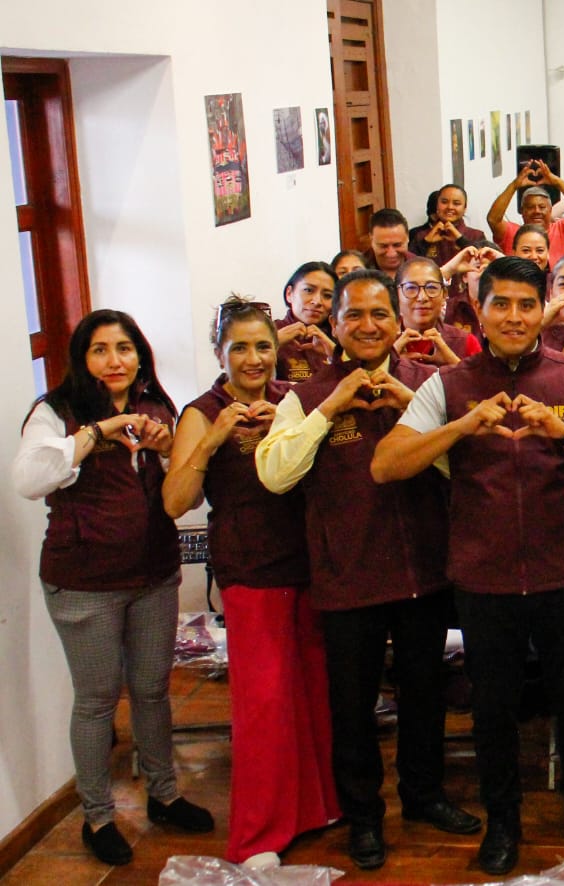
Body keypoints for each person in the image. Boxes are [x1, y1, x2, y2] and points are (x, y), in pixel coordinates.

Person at [370, 256, 564, 875]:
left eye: (525, 304)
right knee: (493, 709)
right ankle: (503, 822)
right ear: (478, 309)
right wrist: (460, 426)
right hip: (482, 578)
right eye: (500, 304)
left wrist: (559, 433)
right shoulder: (449, 385)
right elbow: (386, 464)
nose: (513, 316)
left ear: (543, 310)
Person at [256, 270, 480, 871]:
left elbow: (471, 471)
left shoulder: (430, 385)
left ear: (398, 319)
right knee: (352, 707)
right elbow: (276, 474)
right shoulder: (304, 397)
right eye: (354, 315)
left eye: (380, 313)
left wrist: (413, 408)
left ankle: (424, 795)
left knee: (425, 694)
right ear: (334, 325)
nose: (368, 325)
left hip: (424, 574)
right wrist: (329, 408)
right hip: (346, 576)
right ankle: (363, 817)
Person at [13, 310, 215, 867]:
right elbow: (30, 479)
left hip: (152, 574)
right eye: (99, 350)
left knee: (152, 689)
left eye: (124, 348)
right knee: (99, 698)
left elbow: (186, 493)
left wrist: (167, 446)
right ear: (82, 360)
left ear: (140, 356)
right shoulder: (55, 413)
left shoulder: (156, 407)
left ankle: (164, 792)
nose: (114, 361)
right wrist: (95, 432)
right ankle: (98, 815)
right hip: (84, 584)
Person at [162, 298, 340, 869]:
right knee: (262, 707)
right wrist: (213, 439)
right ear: (220, 352)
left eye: (263, 345)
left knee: (311, 696)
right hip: (250, 573)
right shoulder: (201, 411)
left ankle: (314, 809)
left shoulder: (293, 398)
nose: (254, 358)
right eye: (239, 346)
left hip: (308, 566)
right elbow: (174, 502)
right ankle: (258, 834)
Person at [394, 257, 483, 366]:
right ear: (396, 295)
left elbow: (481, 383)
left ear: (444, 294)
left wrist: (455, 364)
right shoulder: (383, 341)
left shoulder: (464, 342)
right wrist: (391, 359)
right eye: (411, 288)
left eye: (431, 287)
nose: (422, 297)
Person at [276, 261, 337, 382]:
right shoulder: (269, 332)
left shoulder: (340, 336)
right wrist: (271, 344)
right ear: (289, 294)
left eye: (327, 295)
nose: (317, 301)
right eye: (308, 290)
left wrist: (334, 354)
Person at [409, 184, 485, 265]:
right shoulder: (422, 236)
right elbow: (409, 265)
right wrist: (425, 243)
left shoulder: (476, 235)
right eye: (444, 202)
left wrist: (460, 240)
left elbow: (482, 263)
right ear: (437, 205)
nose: (450, 207)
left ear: (465, 208)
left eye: (456, 203)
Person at [364, 208, 415, 278]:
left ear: (407, 238)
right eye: (383, 246)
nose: (391, 254)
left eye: (397, 245)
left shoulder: (423, 270)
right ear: (371, 240)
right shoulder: (358, 269)